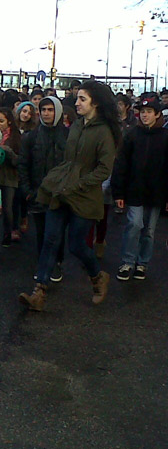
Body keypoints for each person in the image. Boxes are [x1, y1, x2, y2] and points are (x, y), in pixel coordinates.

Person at [19, 80, 119, 311]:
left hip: (84, 196)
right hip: (61, 191)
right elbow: (68, 159)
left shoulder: (104, 132)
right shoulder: (76, 125)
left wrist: (81, 183)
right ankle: (39, 291)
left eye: (82, 99)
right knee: (50, 240)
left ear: (96, 102)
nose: (77, 102)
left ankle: (97, 277)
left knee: (76, 245)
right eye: (78, 98)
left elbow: (104, 169)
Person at [111, 94, 167, 281]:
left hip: (156, 191)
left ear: (157, 114)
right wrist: (118, 191)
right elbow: (121, 164)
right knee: (134, 224)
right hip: (134, 190)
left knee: (149, 231)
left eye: (149, 112)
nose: (145, 116)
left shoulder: (165, 137)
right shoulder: (132, 135)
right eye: (142, 112)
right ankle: (128, 261)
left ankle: (142, 263)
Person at [18, 96, 68, 282]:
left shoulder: (68, 135)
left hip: (60, 194)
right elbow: (23, 164)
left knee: (57, 232)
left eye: (50, 110)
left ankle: (56, 261)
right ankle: (44, 263)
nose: (47, 113)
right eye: (43, 110)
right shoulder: (31, 136)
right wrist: (27, 190)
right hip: (38, 192)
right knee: (41, 232)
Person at [0, 108, 22, 246]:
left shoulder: (15, 137)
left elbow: (19, 161)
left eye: (1, 121)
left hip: (10, 176)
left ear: (9, 122)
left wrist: (8, 151)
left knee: (8, 206)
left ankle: (8, 231)